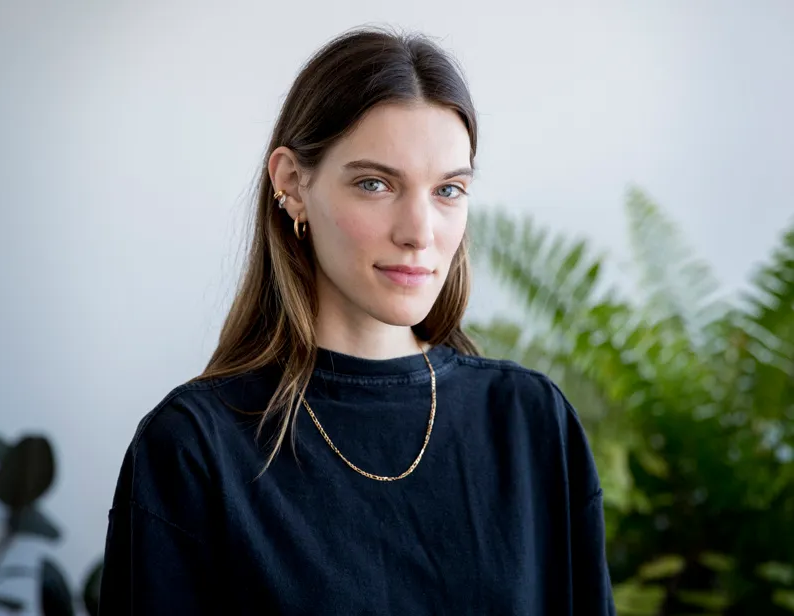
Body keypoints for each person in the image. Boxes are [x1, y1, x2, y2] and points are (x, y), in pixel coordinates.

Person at [98, 26, 615, 615]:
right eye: (375, 184)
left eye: (448, 190)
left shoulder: (532, 424)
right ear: (292, 183)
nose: (419, 232)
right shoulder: (192, 449)